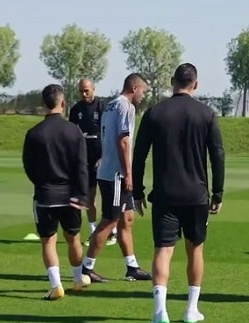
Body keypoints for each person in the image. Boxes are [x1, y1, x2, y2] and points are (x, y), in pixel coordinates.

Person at [132, 63, 226, 323]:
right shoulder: (206, 114)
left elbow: (138, 156)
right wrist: (218, 192)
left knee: (163, 250)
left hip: (164, 194)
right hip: (196, 195)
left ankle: (160, 311)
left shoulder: (154, 113)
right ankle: (190, 309)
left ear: (172, 81)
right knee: (195, 250)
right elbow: (217, 155)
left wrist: (137, 192)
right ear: (195, 84)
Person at [23, 84, 93, 300]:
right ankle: (78, 278)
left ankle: (56, 285)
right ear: (63, 103)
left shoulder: (33, 134)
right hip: (70, 195)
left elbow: (29, 167)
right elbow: (82, 166)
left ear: (43, 104)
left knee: (48, 241)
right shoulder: (74, 131)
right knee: (74, 238)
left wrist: (42, 185)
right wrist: (82, 195)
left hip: (46, 195)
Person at [82, 73, 152, 283]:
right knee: (110, 220)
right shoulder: (125, 107)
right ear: (134, 88)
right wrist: (128, 174)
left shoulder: (110, 106)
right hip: (116, 174)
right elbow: (123, 141)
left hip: (108, 170)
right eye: (143, 91)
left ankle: (132, 267)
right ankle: (86, 268)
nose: (143, 96)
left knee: (127, 219)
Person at [68, 78, 116, 246]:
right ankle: (93, 231)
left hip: (102, 159)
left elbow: (109, 134)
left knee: (107, 196)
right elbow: (72, 136)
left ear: (93, 89)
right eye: (81, 90)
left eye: (87, 90)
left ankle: (112, 231)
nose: (84, 93)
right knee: (89, 198)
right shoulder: (75, 110)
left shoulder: (102, 108)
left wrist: (104, 156)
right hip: (85, 161)